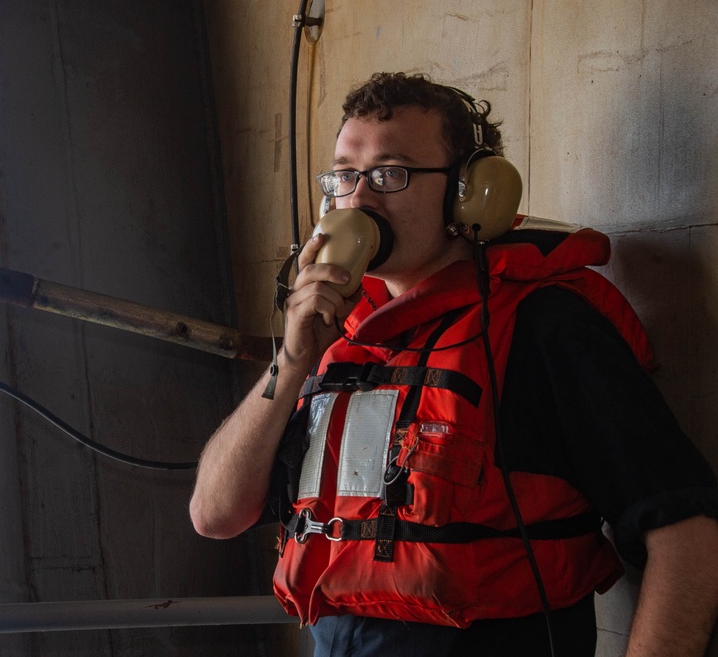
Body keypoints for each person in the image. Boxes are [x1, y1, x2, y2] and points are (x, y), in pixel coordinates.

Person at [189, 72, 718, 656]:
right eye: (344, 175)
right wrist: (291, 360)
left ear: (470, 194)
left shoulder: (544, 326)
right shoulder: (334, 335)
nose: (359, 198)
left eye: (391, 173)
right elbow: (215, 514)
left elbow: (688, 537)